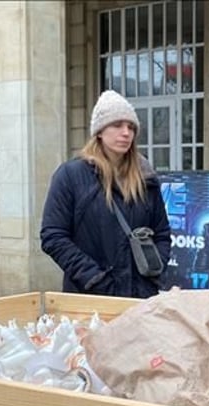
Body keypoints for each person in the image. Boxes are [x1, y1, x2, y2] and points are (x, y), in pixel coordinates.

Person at [41, 90, 170, 297]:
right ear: (100, 131)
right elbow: (53, 236)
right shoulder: (71, 175)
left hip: (140, 299)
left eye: (131, 127)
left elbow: (162, 234)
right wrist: (94, 279)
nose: (126, 133)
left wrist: (153, 274)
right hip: (90, 299)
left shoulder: (145, 178)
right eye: (117, 125)